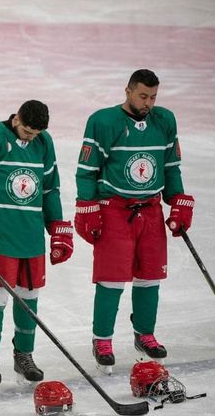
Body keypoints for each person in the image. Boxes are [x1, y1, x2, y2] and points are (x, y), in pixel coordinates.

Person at [75, 69, 193, 374]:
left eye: (153, 97)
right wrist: (87, 207)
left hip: (151, 210)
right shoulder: (103, 121)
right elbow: (87, 170)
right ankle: (102, 340)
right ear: (128, 91)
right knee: (111, 279)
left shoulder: (164, 120)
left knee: (150, 277)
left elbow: (171, 168)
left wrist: (178, 201)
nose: (148, 103)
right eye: (143, 96)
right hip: (115, 210)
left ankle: (145, 334)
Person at [0, 100, 73, 388]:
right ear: (16, 119)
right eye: (26, 130)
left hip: (31, 235)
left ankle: (24, 355)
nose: (30, 137)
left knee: (29, 296)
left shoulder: (44, 143)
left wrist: (57, 228)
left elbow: (50, 188)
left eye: (35, 134)